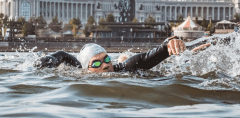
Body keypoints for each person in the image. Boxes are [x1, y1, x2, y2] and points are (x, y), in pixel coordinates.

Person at [34, 36, 194, 72]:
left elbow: (146, 58)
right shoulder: (79, 71)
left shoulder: (121, 68)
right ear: (86, 69)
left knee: (124, 58)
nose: (105, 65)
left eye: (106, 59)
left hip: (123, 61)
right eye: (96, 63)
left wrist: (169, 44)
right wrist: (41, 64)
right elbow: (61, 54)